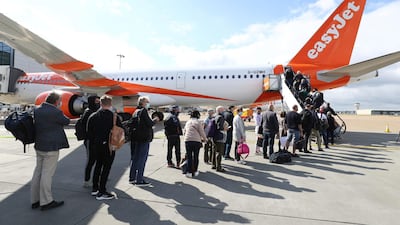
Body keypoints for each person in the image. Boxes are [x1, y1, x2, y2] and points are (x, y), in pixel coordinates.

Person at [31, 92, 70, 210]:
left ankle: (35, 200)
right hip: (51, 147)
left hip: (40, 145)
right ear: (56, 101)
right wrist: (59, 110)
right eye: (59, 101)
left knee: (38, 173)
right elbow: (66, 121)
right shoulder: (55, 112)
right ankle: (46, 201)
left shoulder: (37, 110)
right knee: (47, 174)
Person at [87, 95, 123, 200]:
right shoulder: (114, 117)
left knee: (98, 165)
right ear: (110, 104)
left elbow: (89, 133)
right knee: (106, 168)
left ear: (100, 103)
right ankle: (102, 191)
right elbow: (121, 131)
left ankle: (95, 188)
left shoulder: (93, 116)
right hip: (109, 146)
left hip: (96, 146)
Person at [128, 96, 159, 186]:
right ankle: (139, 180)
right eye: (147, 102)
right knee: (142, 159)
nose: (148, 103)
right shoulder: (143, 111)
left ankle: (132, 177)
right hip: (144, 138)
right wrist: (155, 120)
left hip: (136, 138)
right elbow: (150, 123)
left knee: (135, 158)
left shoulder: (135, 111)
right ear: (143, 103)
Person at [81, 95, 100, 187]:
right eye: (96, 102)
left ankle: (97, 177)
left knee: (98, 159)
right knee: (91, 160)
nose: (98, 103)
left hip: (97, 140)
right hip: (90, 141)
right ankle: (87, 180)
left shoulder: (96, 111)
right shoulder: (88, 112)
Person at [183, 110, 207, 177]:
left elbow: (184, 131)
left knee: (189, 156)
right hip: (196, 141)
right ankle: (195, 171)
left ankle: (189, 172)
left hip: (187, 140)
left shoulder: (188, 122)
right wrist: (205, 139)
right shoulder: (197, 122)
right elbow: (201, 132)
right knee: (196, 156)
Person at [212, 106, 227, 172]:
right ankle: (219, 167)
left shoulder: (214, 116)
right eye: (223, 110)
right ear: (220, 110)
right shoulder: (220, 117)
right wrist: (225, 128)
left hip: (214, 136)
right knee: (219, 152)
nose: (224, 111)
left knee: (214, 151)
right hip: (219, 136)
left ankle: (214, 165)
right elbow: (219, 127)